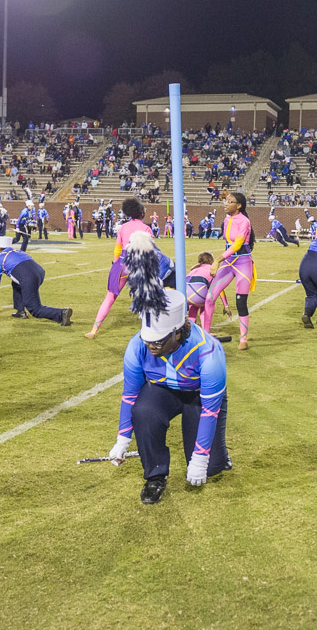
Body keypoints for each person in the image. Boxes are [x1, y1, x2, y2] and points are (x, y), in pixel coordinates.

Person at [107, 244, 229, 505]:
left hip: (198, 394)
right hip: (163, 390)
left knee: (210, 467)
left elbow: (210, 409)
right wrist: (122, 438)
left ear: (177, 333)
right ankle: (155, 475)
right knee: (144, 411)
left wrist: (200, 458)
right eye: (147, 340)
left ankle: (218, 455)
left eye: (158, 342)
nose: (151, 347)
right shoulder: (137, 346)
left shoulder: (209, 353)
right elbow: (130, 396)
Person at [85, 198, 152, 339]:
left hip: (122, 264)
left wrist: (116, 265)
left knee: (110, 297)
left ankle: (94, 330)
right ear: (141, 212)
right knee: (147, 298)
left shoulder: (123, 227)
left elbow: (117, 249)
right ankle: (149, 331)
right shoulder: (146, 229)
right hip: (139, 264)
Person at [201, 191, 256, 351]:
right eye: (226, 201)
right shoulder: (226, 219)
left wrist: (217, 260)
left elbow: (237, 245)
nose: (225, 203)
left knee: (241, 302)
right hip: (229, 262)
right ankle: (205, 334)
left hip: (243, 263)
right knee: (210, 297)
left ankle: (243, 339)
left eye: (230, 201)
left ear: (238, 205)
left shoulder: (244, 221)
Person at [0, 236, 73, 325]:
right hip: (40, 272)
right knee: (16, 284)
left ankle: (61, 313)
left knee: (35, 309)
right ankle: (20, 311)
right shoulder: (19, 252)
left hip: (29, 278)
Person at [184, 252, 230, 323]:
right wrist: (226, 305)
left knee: (194, 307)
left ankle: (191, 329)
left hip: (185, 294)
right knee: (207, 303)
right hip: (197, 294)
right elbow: (219, 289)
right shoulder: (212, 269)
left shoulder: (195, 269)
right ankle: (205, 331)